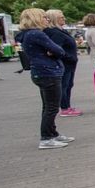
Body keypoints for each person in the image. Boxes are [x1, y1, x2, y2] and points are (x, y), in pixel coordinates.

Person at [17, 8, 75, 149]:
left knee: (48, 106)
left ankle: (52, 133)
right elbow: (59, 50)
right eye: (44, 17)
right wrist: (53, 52)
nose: (46, 20)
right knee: (51, 107)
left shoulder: (27, 34)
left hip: (41, 72)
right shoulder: (37, 34)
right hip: (48, 72)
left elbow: (54, 50)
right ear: (36, 19)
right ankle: (46, 138)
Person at [44, 10, 81, 117]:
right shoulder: (55, 33)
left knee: (68, 84)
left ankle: (67, 106)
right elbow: (55, 49)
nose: (64, 19)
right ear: (54, 19)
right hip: (65, 63)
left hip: (69, 62)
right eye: (61, 17)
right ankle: (64, 108)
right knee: (64, 85)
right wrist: (68, 57)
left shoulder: (60, 31)